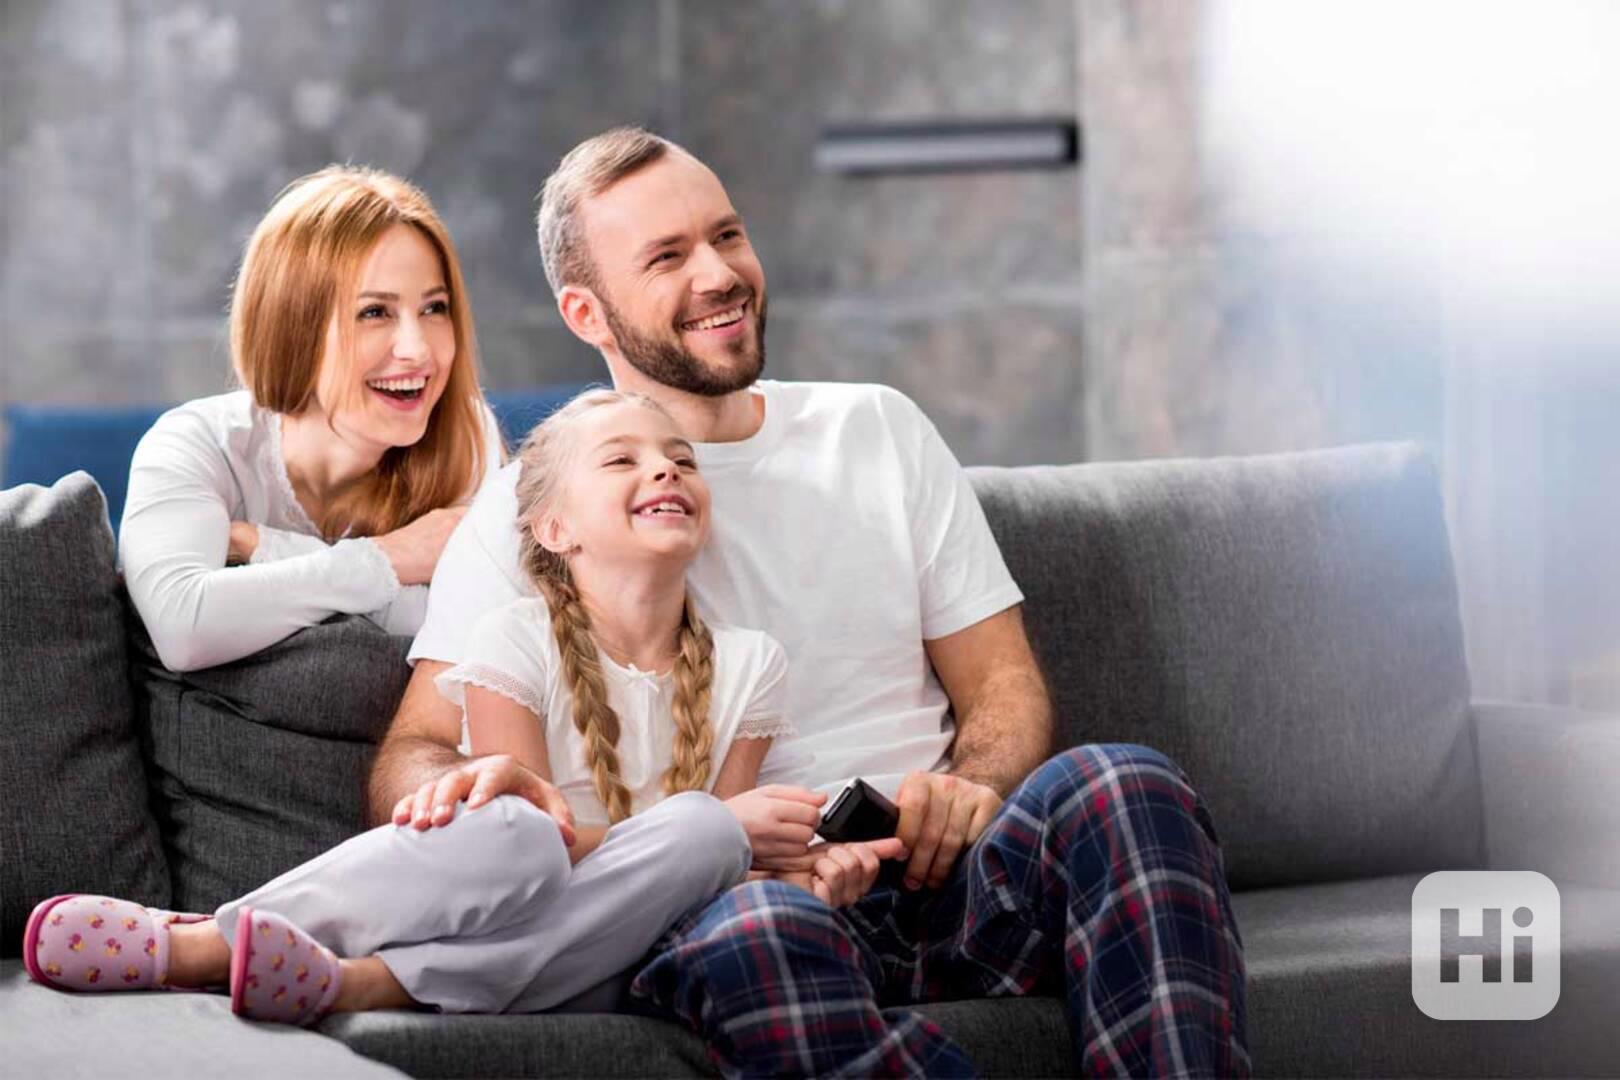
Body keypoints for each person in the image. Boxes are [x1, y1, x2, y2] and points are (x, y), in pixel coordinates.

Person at [370, 127, 1250, 1076]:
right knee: (761, 924)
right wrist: (473, 799)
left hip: (947, 880)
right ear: (587, 313)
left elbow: (1002, 681)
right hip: (741, 900)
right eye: (668, 257)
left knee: (1126, 782)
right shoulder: (538, 505)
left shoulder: (878, 427)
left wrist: (973, 789)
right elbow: (415, 749)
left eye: (727, 236)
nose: (720, 275)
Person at [26, 388, 850, 1026]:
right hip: (528, 914)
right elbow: (546, 834)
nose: (666, 471)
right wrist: (728, 829)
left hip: (632, 946)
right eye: (621, 461)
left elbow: (726, 863)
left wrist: (804, 863)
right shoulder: (512, 639)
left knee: (703, 833)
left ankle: (353, 980)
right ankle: (216, 941)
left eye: (681, 460)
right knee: (519, 829)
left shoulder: (752, 663)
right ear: (554, 529)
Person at [120, 165, 503, 673]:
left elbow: (481, 633)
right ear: (292, 328)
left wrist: (267, 548)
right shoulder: (194, 444)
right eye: (374, 313)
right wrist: (393, 558)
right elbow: (184, 629)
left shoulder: (467, 436)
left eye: (434, 308)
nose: (417, 350)